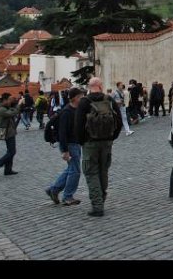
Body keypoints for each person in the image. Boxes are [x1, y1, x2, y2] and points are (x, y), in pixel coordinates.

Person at [75, 77, 123, 217]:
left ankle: (97, 205)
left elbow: (78, 124)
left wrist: (81, 141)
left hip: (90, 143)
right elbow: (118, 120)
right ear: (100, 86)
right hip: (107, 142)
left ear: (90, 87)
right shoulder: (109, 100)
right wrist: (112, 137)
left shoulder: (84, 102)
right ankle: (101, 198)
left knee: (91, 172)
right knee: (103, 171)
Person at [46, 87, 83, 207]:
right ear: (75, 98)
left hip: (76, 143)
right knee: (75, 171)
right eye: (81, 97)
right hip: (70, 144)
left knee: (70, 170)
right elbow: (62, 133)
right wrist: (65, 150)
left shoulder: (76, 109)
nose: (82, 99)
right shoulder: (67, 112)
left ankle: (54, 190)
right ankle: (67, 196)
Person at [0, 94, 20, 176]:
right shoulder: (1, 109)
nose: (10, 101)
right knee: (12, 151)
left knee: (10, 151)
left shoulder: (5, 107)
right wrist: (18, 105)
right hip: (7, 132)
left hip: (10, 131)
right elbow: (12, 113)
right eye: (9, 99)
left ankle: (8, 170)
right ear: (4, 100)